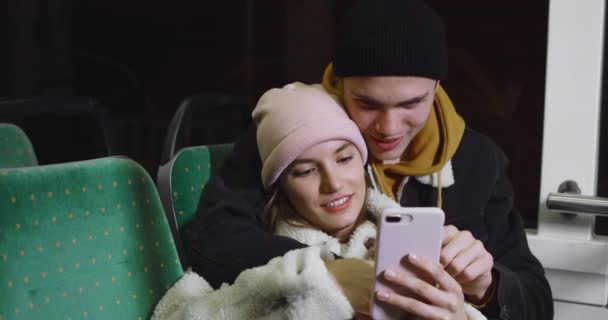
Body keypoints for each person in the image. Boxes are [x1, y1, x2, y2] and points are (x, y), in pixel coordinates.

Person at [188, 0, 553, 319]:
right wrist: (329, 273)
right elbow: (215, 238)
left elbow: (536, 302)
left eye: (411, 104)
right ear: (339, 84)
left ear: (438, 88)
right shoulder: (294, 132)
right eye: (367, 103)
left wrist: (487, 285)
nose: (388, 128)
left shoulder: (479, 160)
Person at [152, 82, 485, 320]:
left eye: (344, 159)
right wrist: (323, 280)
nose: (334, 183)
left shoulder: (396, 244)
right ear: (280, 185)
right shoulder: (252, 263)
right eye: (306, 170)